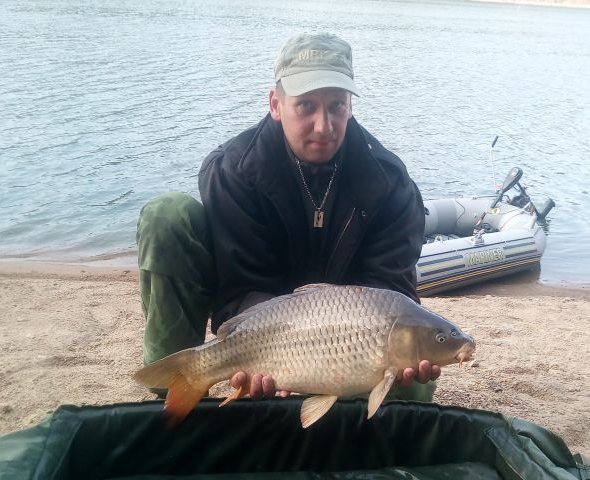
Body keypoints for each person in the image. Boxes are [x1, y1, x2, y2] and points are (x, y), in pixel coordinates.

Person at [137, 32, 440, 401]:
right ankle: (173, 382)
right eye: (306, 105)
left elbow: (392, 290)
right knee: (167, 216)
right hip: (268, 328)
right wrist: (271, 352)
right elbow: (239, 286)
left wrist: (331, 358)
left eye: (337, 106)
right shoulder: (235, 170)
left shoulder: (390, 183)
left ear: (350, 106)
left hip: (346, 338)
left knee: (416, 387)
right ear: (276, 104)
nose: (324, 125)